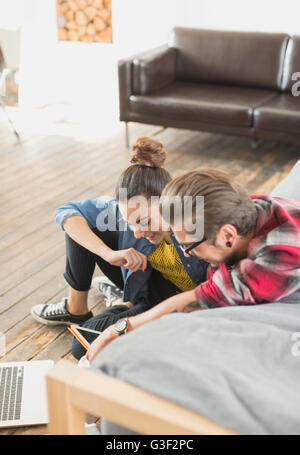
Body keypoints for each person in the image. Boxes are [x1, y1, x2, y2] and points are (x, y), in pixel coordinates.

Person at [86, 168, 300, 363]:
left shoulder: (277, 257)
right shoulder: (247, 207)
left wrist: (121, 329)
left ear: (227, 234)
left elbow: (200, 298)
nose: (188, 253)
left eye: (190, 246)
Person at [30, 137, 208, 359]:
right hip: (149, 293)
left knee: (87, 347)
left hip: (186, 308)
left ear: (168, 203)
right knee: (84, 343)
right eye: (129, 222)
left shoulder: (200, 231)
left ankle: (121, 300)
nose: (136, 232)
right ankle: (77, 310)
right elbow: (67, 212)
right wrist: (108, 253)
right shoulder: (131, 211)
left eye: (143, 221)